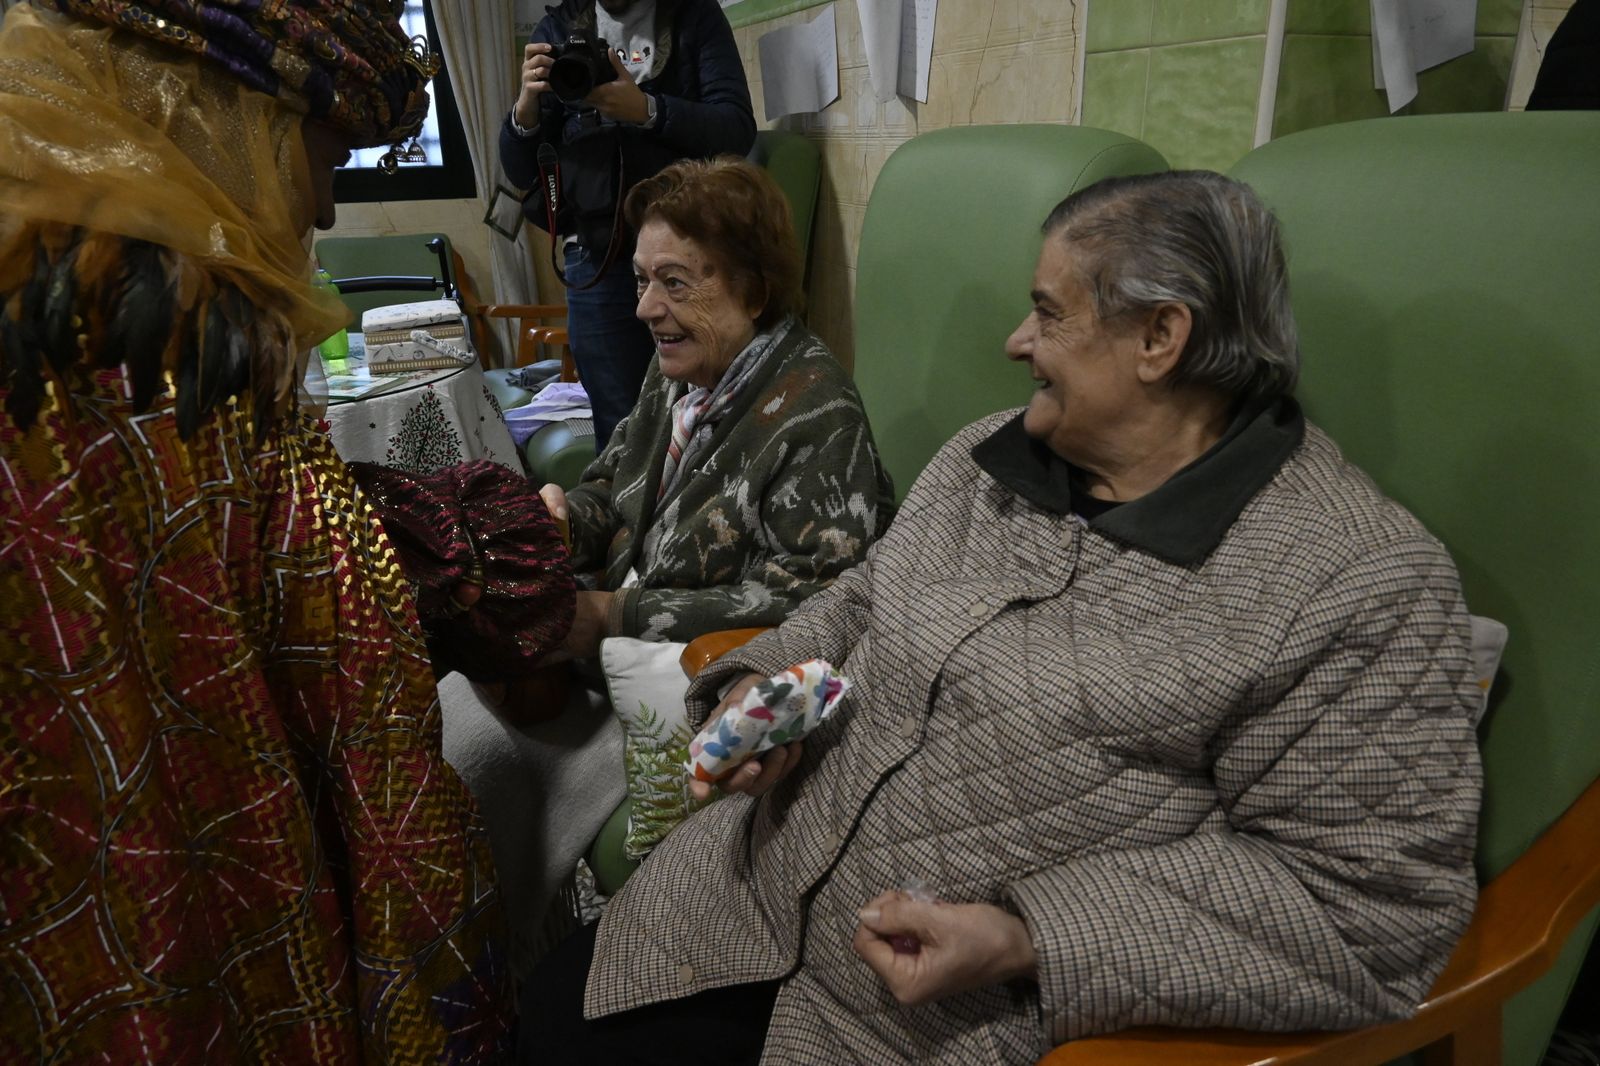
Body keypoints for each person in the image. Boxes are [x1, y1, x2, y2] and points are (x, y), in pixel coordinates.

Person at [516, 170, 1484, 1065]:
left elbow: (1367, 905)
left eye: (1046, 312)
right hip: (731, 900)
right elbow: (857, 595)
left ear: (1161, 337)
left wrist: (1028, 934)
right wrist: (744, 688)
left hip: (918, 1018)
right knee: (547, 1016)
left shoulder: (1354, 582)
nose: (1016, 343)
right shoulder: (987, 456)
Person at [0, 2, 510, 1060]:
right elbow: (360, 679)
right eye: (322, 154)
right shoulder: (163, 358)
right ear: (212, 108)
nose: (325, 205)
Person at [442, 156, 894, 978]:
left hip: (693, 688)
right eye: (645, 280)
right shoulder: (678, 374)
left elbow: (814, 599)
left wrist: (613, 615)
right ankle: (503, 961)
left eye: (676, 283)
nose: (647, 308)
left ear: (754, 289)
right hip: (605, 660)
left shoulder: (817, 413)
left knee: (473, 771)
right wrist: (548, 526)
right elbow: (613, 487)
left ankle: (518, 975)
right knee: (446, 731)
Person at [501, 0, 756, 450]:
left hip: (691, 256)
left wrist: (647, 110)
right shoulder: (558, 27)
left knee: (713, 416)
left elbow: (735, 128)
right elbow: (524, 172)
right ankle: (627, 521)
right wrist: (525, 110)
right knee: (621, 431)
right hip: (596, 262)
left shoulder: (691, 14)